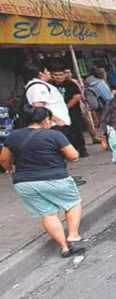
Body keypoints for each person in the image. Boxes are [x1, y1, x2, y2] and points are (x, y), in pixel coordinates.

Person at [0, 107, 84, 258]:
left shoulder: (13, 136)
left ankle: (64, 247)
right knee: (72, 203)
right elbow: (73, 156)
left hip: (25, 183)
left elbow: (4, 159)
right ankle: (73, 236)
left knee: (47, 213)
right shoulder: (54, 135)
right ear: (46, 120)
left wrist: (10, 170)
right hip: (55, 178)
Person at [51, 66, 88, 157]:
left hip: (73, 112)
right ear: (52, 75)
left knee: (76, 130)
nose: (58, 77)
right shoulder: (50, 85)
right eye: (56, 75)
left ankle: (82, 149)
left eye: (61, 75)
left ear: (64, 75)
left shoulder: (70, 84)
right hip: (57, 114)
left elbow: (77, 97)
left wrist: (65, 107)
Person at [24, 62, 70, 128]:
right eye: (47, 71)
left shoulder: (40, 85)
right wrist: (58, 120)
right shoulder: (39, 86)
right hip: (54, 125)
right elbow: (39, 106)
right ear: (41, 73)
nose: (49, 73)